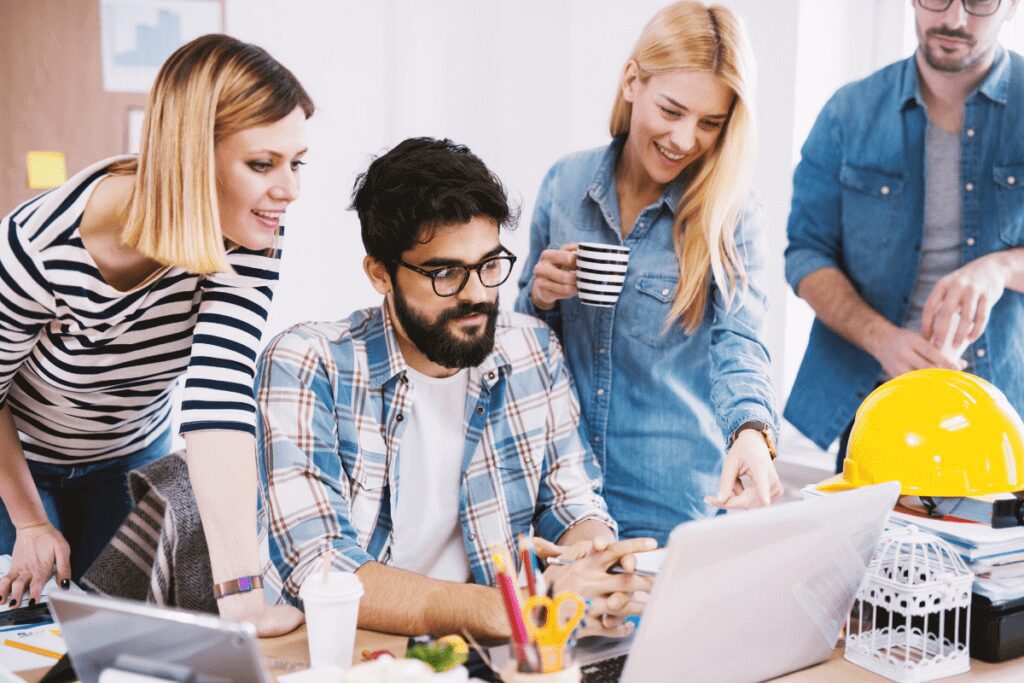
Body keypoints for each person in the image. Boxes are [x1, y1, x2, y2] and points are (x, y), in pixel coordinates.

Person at [257, 137, 653, 639]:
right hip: (361, 656)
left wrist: (591, 564)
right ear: (380, 273)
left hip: (492, 650)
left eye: (490, 265)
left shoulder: (530, 346)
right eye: (445, 273)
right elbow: (320, 565)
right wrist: (511, 607)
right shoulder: (307, 363)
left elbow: (570, 498)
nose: (477, 295)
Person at [0, 34, 311, 634]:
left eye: (296, 162)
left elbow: (219, 402)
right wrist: (32, 522)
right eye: (262, 164)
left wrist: (242, 600)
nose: (290, 190)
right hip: (21, 463)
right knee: (25, 641)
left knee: (108, 639)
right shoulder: (34, 247)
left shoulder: (248, 234)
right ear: (191, 155)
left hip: (129, 451)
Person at [515, 1, 782, 544]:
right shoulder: (564, 185)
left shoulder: (731, 216)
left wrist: (751, 432)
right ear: (632, 79)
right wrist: (539, 298)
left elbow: (742, 344)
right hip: (559, 494)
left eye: (710, 123)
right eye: (672, 110)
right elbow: (523, 348)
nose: (685, 140)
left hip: (669, 504)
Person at [785, 0, 1024, 472]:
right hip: (877, 412)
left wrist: (1000, 267)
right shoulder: (847, 113)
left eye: (978, 1)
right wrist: (882, 339)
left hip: (1004, 416)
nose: (954, 19)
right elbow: (806, 254)